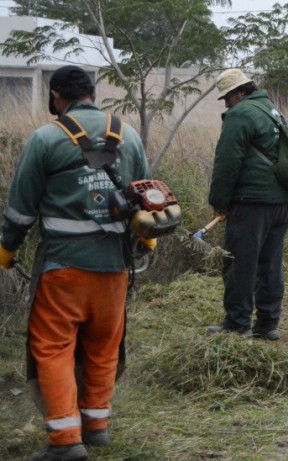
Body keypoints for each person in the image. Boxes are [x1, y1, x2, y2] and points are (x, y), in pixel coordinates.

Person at [0, 65, 153, 461]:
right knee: (104, 345)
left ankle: (67, 440)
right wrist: (144, 246)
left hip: (63, 269)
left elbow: (20, 209)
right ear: (93, 93)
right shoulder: (129, 135)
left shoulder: (46, 138)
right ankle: (96, 426)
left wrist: (6, 250)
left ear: (56, 97)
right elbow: (148, 196)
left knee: (53, 348)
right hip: (115, 269)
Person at [205, 69, 288, 340]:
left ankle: (237, 323)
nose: (225, 104)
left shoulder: (240, 114)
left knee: (239, 264)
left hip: (253, 203)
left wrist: (219, 202)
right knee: (270, 264)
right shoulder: (271, 110)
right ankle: (268, 324)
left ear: (239, 93)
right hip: (283, 201)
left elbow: (227, 163)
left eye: (227, 98)